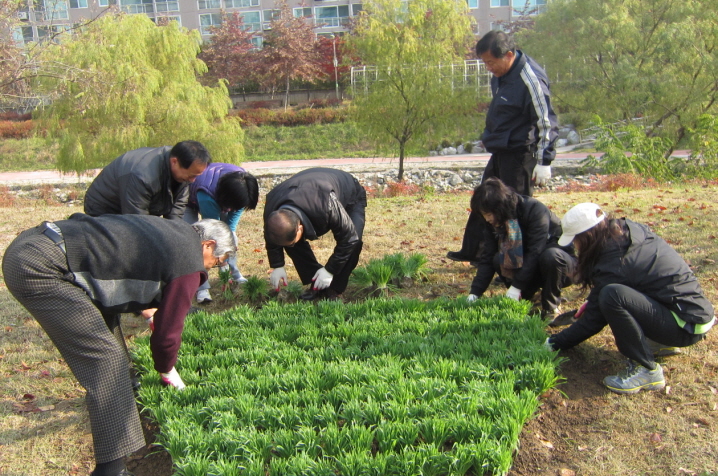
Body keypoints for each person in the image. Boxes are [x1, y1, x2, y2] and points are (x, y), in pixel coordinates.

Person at [2, 215, 236, 476]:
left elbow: (123, 268)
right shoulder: (191, 262)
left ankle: (127, 388)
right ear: (208, 245)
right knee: (106, 360)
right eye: (217, 261)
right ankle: (111, 469)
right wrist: (167, 370)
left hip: (37, 243)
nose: (211, 269)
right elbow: (168, 332)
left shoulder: (177, 232)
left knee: (106, 324)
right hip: (40, 267)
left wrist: (149, 311)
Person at [545, 203, 715, 395]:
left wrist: (554, 343)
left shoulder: (616, 262)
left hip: (685, 325)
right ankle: (658, 343)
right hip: (690, 312)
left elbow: (593, 320)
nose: (575, 247)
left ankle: (647, 371)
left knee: (612, 296)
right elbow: (632, 279)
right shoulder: (625, 232)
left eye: (576, 240)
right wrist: (593, 299)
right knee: (608, 293)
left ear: (587, 237)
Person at [447, 30, 559, 264]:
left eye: (490, 62)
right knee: (484, 198)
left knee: (513, 209)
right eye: (484, 62)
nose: (488, 67)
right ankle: (476, 253)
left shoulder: (530, 79)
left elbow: (546, 121)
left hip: (521, 153)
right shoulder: (500, 75)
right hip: (501, 149)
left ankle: (514, 262)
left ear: (508, 55)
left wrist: (544, 161)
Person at [466, 178, 575, 318]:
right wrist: (475, 292)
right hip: (530, 266)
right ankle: (527, 299)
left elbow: (535, 251)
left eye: (488, 214)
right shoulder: (494, 221)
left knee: (550, 256)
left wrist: (517, 286)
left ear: (499, 208)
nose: (487, 219)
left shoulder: (535, 211)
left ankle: (551, 307)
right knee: (497, 258)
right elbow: (487, 255)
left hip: (560, 268)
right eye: (483, 215)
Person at [263, 167, 366, 301]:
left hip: (349, 194)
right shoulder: (273, 210)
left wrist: (330, 270)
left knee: (354, 241)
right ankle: (318, 284)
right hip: (307, 189)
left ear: (300, 228)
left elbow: (349, 238)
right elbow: (272, 235)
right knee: (290, 241)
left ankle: (334, 288)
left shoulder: (326, 205)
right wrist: (277, 265)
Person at [184, 163, 260, 303]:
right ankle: (202, 287)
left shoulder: (244, 184)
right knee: (196, 243)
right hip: (190, 200)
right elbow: (211, 233)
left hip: (225, 197)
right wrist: (222, 262)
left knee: (231, 237)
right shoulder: (207, 195)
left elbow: (229, 229)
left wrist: (229, 244)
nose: (237, 209)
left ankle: (235, 274)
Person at [84, 141, 211, 219]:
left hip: (140, 208)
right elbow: (137, 219)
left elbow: (176, 211)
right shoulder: (143, 175)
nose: (193, 180)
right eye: (191, 176)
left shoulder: (183, 174)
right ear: (174, 162)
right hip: (105, 208)